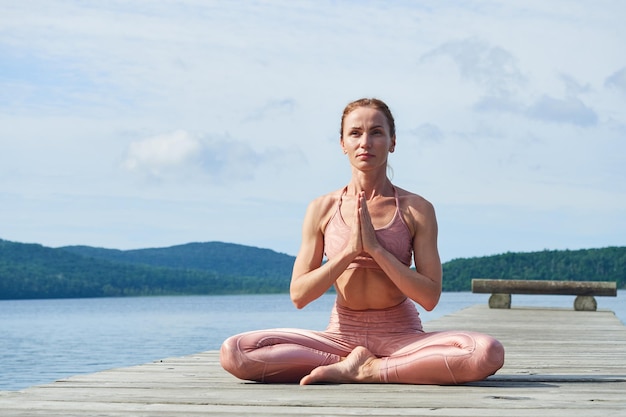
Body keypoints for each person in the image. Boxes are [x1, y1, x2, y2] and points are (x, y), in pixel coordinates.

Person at [220, 98, 505, 385]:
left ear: (392, 142)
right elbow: (299, 295)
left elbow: (429, 297)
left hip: (401, 335)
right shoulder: (322, 208)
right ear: (342, 143)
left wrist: (377, 249)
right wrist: (349, 251)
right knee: (236, 352)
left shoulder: (416, 209)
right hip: (339, 336)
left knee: (484, 352)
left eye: (376, 132)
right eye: (355, 133)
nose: (365, 142)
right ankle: (364, 364)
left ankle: (370, 369)